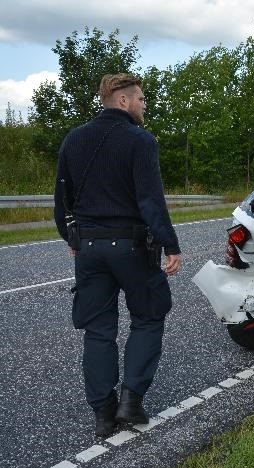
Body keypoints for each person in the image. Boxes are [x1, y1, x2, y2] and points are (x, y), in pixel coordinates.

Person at [53, 73, 182, 436]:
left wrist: (72, 237)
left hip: (89, 249)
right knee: (149, 315)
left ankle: (103, 415)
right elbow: (150, 200)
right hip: (132, 248)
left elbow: (62, 199)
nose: (144, 105)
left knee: (97, 330)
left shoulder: (74, 139)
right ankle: (131, 402)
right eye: (140, 99)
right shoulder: (140, 141)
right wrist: (170, 245)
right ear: (122, 100)